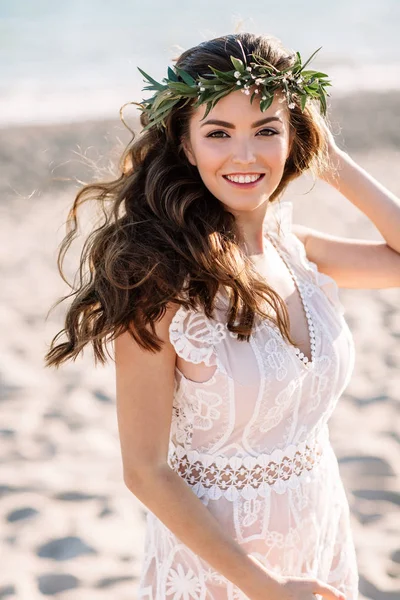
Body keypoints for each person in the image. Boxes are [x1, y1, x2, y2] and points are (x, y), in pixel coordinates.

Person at [44, 32, 400, 600]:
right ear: (186, 147)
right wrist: (268, 588)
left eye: (266, 130)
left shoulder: (296, 251)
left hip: (319, 533)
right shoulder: (157, 282)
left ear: (295, 137)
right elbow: (145, 470)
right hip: (221, 571)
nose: (245, 155)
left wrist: (332, 160)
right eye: (218, 133)